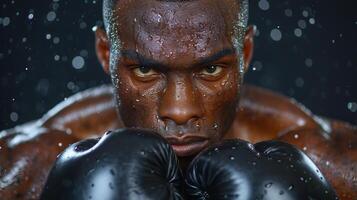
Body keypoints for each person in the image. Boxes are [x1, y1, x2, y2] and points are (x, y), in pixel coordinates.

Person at [0, 0, 356, 199]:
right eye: (145, 71)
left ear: (245, 53)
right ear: (105, 52)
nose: (180, 110)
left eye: (212, 70)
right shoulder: (28, 171)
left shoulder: (330, 165)